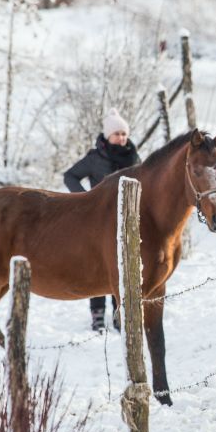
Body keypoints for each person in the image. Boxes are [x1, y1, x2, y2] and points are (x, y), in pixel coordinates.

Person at [63, 109, 142, 332]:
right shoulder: (95, 157)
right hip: (97, 220)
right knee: (98, 267)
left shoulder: (134, 157)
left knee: (122, 266)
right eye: (117, 134)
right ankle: (97, 316)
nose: (121, 138)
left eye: (124, 134)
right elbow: (69, 176)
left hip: (126, 220)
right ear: (108, 136)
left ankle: (119, 314)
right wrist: (85, 198)